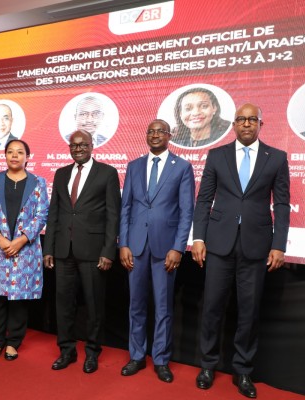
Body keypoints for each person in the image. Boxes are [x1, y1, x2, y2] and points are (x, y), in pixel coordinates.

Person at [191, 103, 290, 398]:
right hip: (218, 243)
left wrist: (279, 244)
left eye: (252, 119)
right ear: (233, 124)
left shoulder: (277, 158)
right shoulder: (217, 155)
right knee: (212, 307)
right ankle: (207, 365)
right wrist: (198, 238)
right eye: (241, 119)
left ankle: (243, 370)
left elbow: (281, 204)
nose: (246, 124)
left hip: (256, 246)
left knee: (249, 311)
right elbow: (203, 200)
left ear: (260, 124)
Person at [119, 119, 195, 383]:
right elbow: (126, 208)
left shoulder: (182, 167)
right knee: (136, 305)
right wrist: (123, 243)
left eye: (160, 131)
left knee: (163, 307)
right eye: (150, 131)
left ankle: (161, 359)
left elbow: (187, 212)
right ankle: (137, 356)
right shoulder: (134, 166)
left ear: (169, 136)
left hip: (166, 249)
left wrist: (178, 247)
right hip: (136, 246)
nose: (154, 135)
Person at [44, 130, 121, 374]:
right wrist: (49, 248)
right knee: (63, 305)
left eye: (83, 145)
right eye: (74, 145)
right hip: (63, 250)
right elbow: (54, 213)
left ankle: (92, 352)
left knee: (93, 306)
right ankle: (66, 350)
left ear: (91, 145)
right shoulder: (61, 173)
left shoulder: (107, 173)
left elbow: (113, 215)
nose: (78, 149)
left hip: (93, 251)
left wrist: (108, 251)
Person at [0, 139, 49, 361]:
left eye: (19, 152)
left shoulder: (38, 182)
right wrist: (0, 238)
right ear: (5, 156)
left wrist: (20, 241)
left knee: (19, 298)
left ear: (28, 157)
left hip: (25, 249)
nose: (14, 156)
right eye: (10, 152)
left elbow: (42, 214)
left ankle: (13, 342)